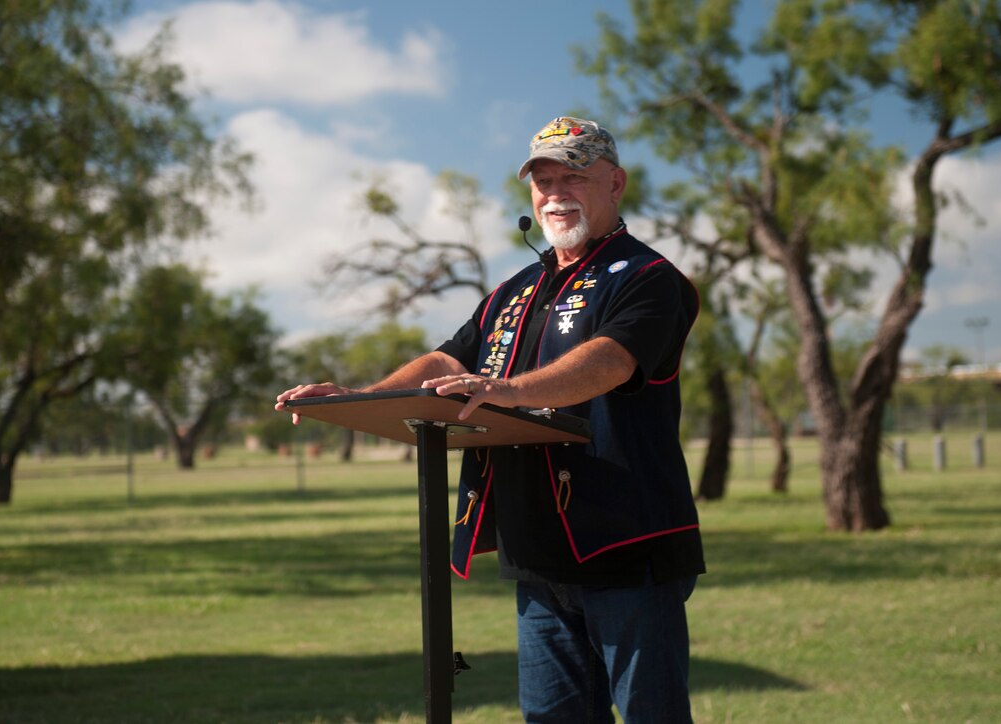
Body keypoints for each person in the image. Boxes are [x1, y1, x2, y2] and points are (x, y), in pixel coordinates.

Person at [276, 116, 704, 723]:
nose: (555, 193)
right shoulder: (515, 288)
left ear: (615, 183)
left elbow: (609, 362)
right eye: (544, 180)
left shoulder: (649, 279)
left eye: (574, 177)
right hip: (536, 550)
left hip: (626, 545)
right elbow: (448, 359)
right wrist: (357, 397)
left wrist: (506, 390)